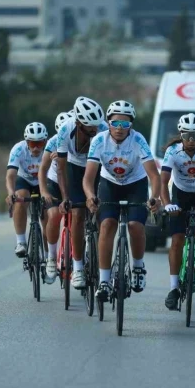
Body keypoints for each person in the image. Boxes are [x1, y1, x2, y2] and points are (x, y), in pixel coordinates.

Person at [83, 100, 161, 301]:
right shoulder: (99, 141)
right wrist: (90, 196)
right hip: (109, 185)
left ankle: (138, 267)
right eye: (115, 123)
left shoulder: (138, 140)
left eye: (124, 124)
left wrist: (154, 197)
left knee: (135, 225)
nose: (119, 128)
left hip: (135, 184)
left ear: (130, 126)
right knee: (107, 225)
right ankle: (104, 281)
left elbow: (154, 175)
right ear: (108, 123)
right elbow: (88, 177)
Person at [159, 113, 195, 311]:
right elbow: (163, 181)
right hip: (181, 193)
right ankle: (174, 288)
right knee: (177, 240)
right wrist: (167, 204)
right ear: (181, 135)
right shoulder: (173, 151)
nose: (191, 140)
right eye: (187, 136)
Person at [56, 97, 108, 289]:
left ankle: (104, 264)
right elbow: (61, 168)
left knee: (104, 215)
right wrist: (65, 198)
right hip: (74, 167)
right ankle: (77, 268)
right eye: (90, 127)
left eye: (97, 125)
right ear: (78, 123)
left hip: (98, 167)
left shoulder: (103, 129)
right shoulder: (65, 131)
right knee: (77, 214)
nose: (95, 130)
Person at [39, 111, 74, 284]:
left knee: (82, 217)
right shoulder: (53, 142)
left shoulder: (82, 140)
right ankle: (52, 258)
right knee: (53, 215)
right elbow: (43, 169)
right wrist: (44, 192)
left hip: (74, 182)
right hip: (54, 181)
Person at [6, 122, 49, 259]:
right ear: (26, 142)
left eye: (39, 144)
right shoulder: (18, 149)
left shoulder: (51, 149)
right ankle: (21, 242)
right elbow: (10, 175)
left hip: (44, 181)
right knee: (20, 198)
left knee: (48, 215)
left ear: (45, 141)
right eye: (32, 144)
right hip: (24, 179)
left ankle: (48, 255)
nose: (36, 148)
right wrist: (11, 193)